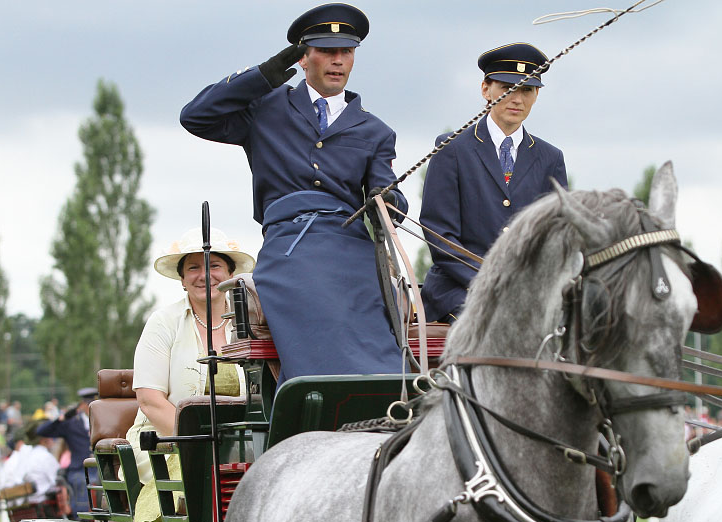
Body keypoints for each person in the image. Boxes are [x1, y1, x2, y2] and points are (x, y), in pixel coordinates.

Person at [180, 3, 407, 383]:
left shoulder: (375, 131)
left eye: (346, 52)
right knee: (313, 304)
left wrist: (387, 199)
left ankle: (384, 393)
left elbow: (392, 212)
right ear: (303, 57)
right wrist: (263, 76)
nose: (337, 62)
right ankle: (315, 400)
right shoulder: (266, 107)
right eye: (326, 51)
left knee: (372, 314)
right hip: (289, 247)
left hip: (351, 248)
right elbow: (195, 117)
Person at [419, 43, 568, 323]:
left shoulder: (551, 158)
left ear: (536, 95)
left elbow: (557, 239)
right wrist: (494, 284)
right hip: (459, 291)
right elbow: (439, 234)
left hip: (527, 294)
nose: (517, 98)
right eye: (508, 87)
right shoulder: (452, 148)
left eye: (527, 90)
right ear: (486, 89)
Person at [127, 228, 255, 486]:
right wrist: (196, 447)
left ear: (231, 274)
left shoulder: (251, 323)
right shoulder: (163, 322)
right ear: (182, 280)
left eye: (215, 265)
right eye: (193, 268)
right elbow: (150, 401)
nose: (205, 276)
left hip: (242, 444)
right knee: (199, 481)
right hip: (167, 441)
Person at [36, 387, 98, 514]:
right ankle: (82, 517)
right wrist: (62, 417)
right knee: (83, 482)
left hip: (100, 469)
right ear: (82, 406)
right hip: (79, 469)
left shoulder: (102, 421)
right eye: (88, 405)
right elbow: (42, 431)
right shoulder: (71, 424)